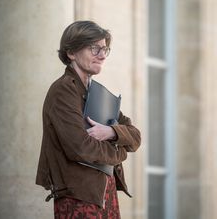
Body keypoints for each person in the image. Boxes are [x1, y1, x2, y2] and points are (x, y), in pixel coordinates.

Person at [36, 20, 141, 218]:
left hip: (104, 193)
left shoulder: (98, 94)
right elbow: (80, 147)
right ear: (71, 52)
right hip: (77, 197)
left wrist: (111, 132)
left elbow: (136, 137)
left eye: (104, 49)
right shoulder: (63, 90)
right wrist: (120, 154)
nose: (102, 55)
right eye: (94, 48)